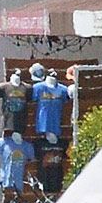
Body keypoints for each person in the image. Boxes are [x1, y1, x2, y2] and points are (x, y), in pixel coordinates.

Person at [31, 62, 77, 190]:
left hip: (56, 127)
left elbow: (68, 99)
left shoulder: (62, 90)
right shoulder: (38, 88)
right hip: (42, 126)